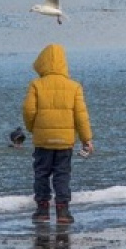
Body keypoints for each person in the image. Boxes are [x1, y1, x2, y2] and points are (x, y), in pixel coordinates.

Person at [23, 44, 94, 224]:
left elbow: (28, 111)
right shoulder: (74, 86)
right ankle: (63, 211)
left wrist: (33, 129)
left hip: (42, 140)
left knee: (41, 173)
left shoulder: (36, 85)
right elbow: (81, 115)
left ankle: (42, 210)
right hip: (64, 141)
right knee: (62, 174)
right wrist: (87, 139)